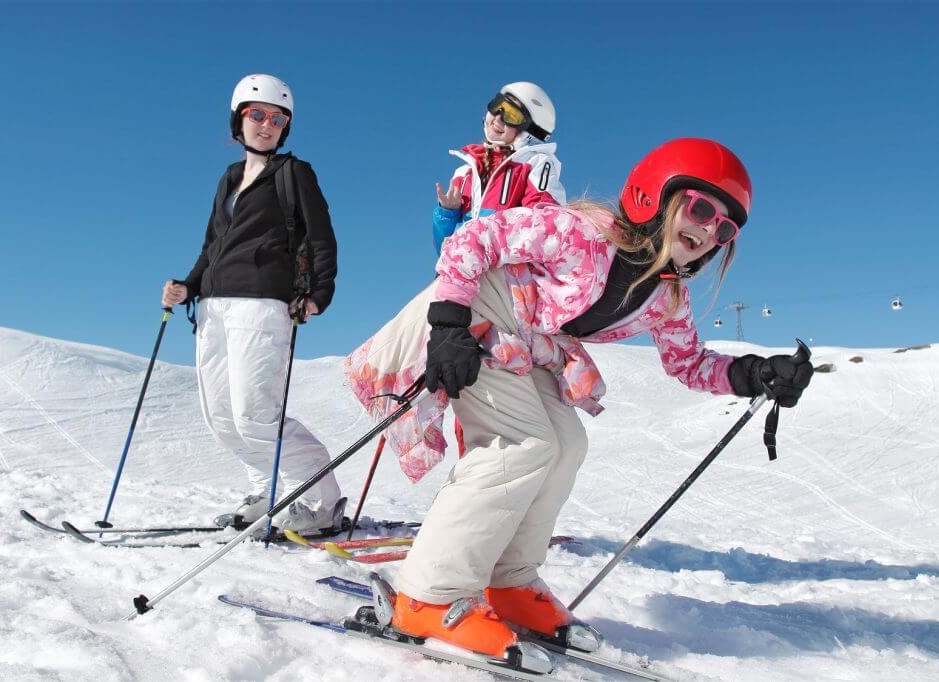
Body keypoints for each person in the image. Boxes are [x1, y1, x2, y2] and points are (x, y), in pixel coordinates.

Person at [343, 138, 813, 672]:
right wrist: (448, 323)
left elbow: (689, 363)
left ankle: (509, 582)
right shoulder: (583, 233)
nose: (708, 230)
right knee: (520, 445)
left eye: (724, 228)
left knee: (567, 444)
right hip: (477, 310)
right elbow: (478, 236)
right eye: (701, 208)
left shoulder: (666, 296)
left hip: (527, 338)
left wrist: (756, 373)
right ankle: (427, 595)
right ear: (654, 195)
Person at [162, 74, 344, 533]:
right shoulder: (228, 178)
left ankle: (322, 504)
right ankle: (268, 492)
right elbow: (212, 244)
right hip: (213, 307)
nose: (267, 124)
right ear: (238, 121)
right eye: (256, 114)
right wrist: (188, 284)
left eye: (278, 118)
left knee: (256, 414)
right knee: (221, 416)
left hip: (263, 306)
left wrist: (319, 294)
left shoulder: (293, 173)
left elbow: (322, 237)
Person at [432, 82, 565, 253]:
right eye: (498, 105)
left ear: (528, 132)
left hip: (503, 272)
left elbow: (543, 225)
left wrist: (480, 242)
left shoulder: (533, 165)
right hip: (459, 269)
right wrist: (448, 213)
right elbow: (442, 248)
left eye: (512, 115)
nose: (498, 117)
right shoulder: (465, 172)